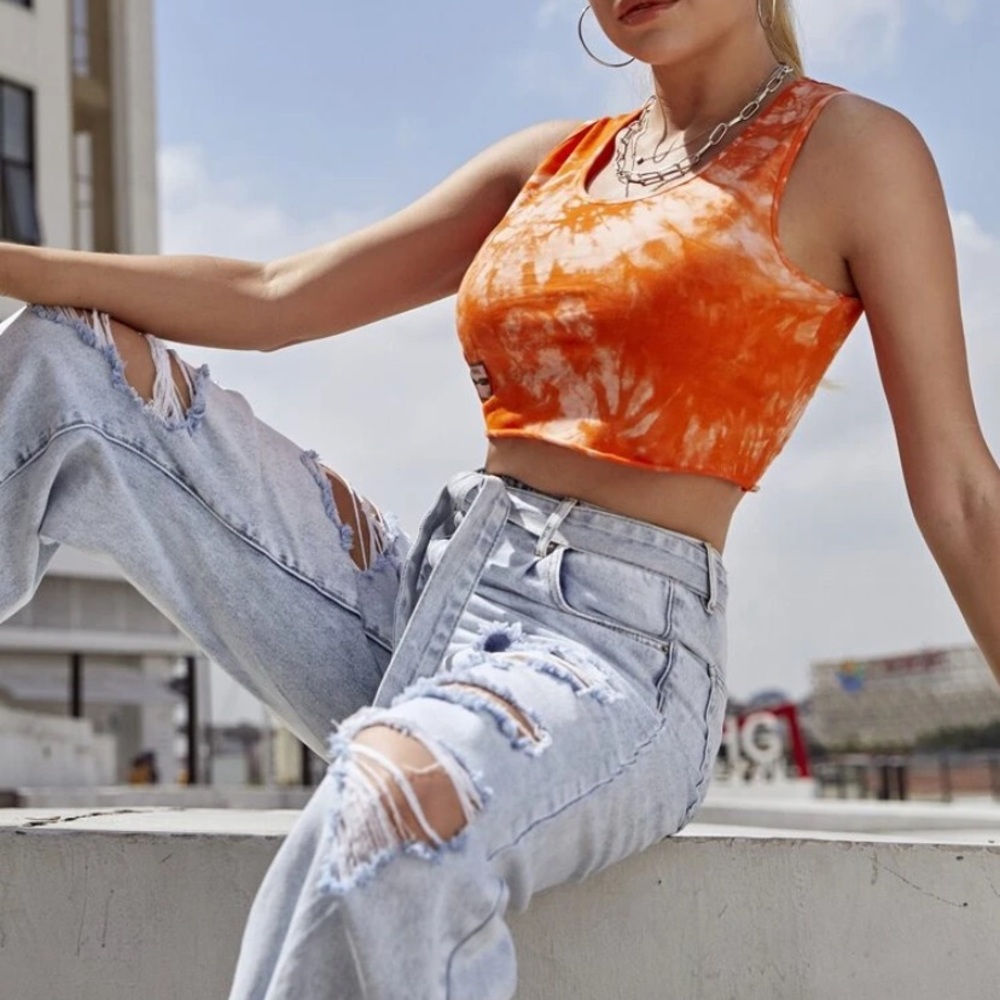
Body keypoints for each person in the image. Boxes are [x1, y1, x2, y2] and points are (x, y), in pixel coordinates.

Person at [0, 1, 997, 996]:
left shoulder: (855, 151)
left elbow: (959, 491)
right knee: (64, 358)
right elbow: (275, 291)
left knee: (387, 800)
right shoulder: (551, 162)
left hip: (613, 656)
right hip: (426, 591)